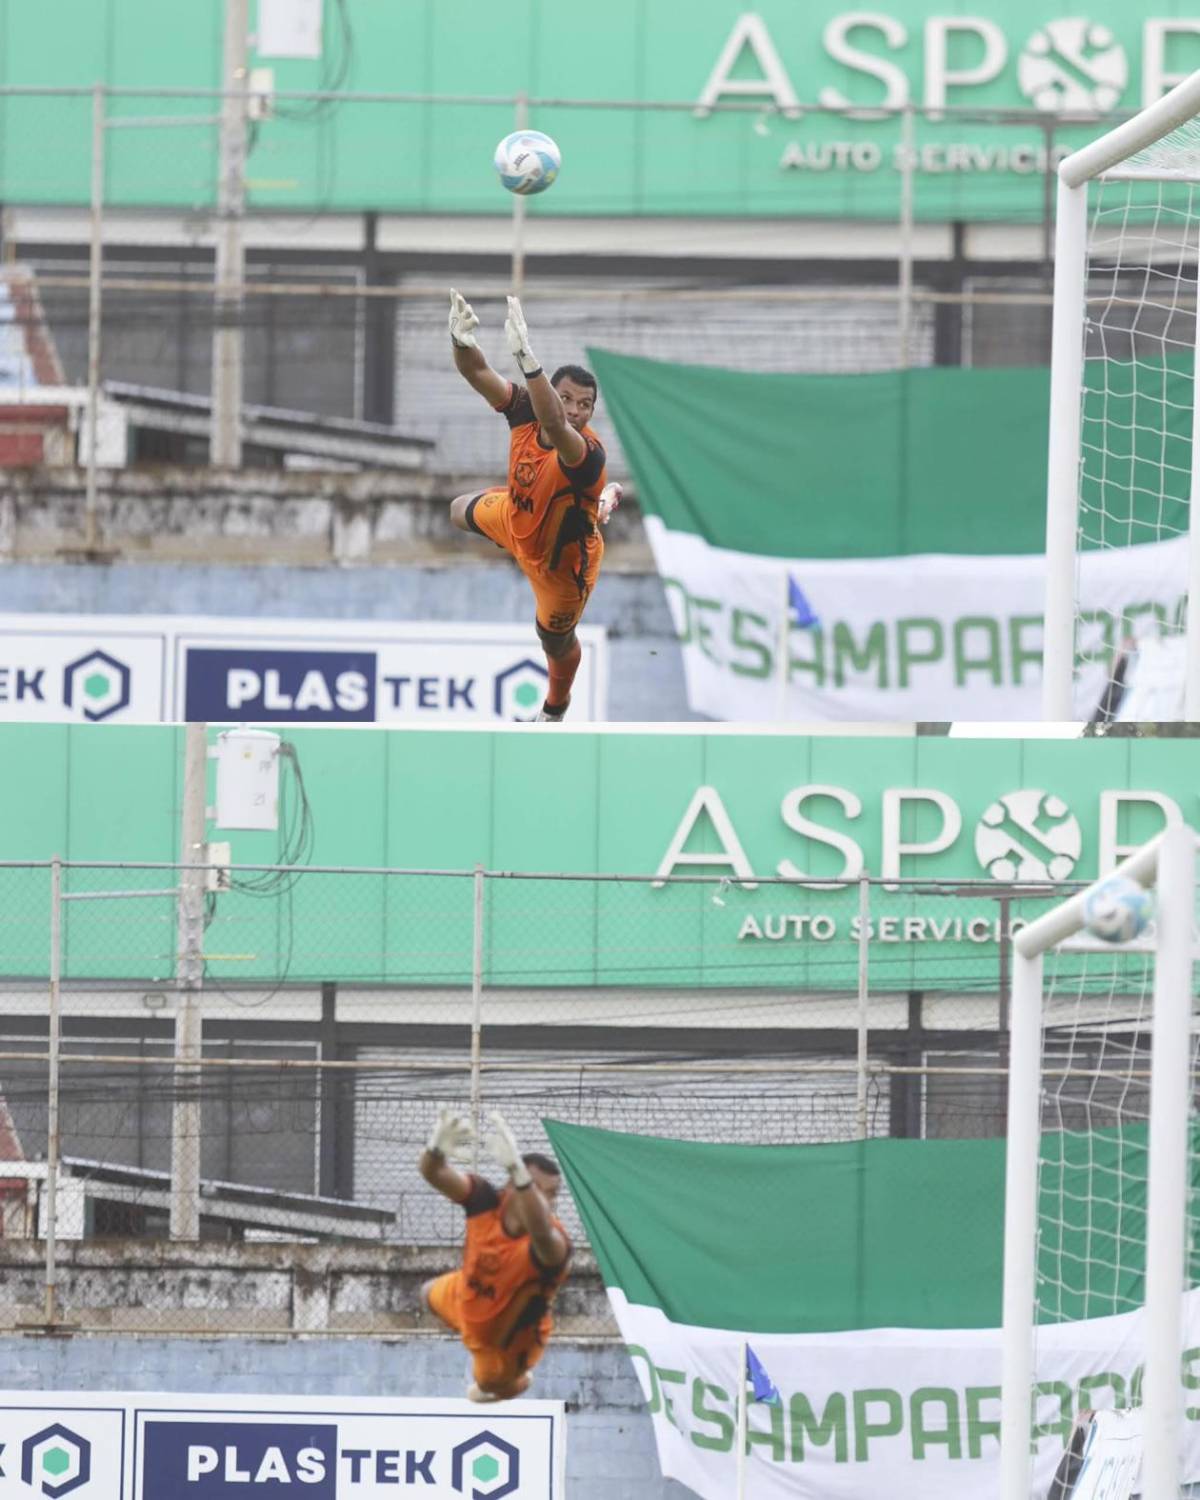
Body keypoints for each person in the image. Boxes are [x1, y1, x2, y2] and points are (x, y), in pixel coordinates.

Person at [447, 289, 621, 722]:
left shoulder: (587, 454)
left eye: (586, 404)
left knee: (554, 642)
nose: (577, 410)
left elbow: (555, 424)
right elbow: (477, 372)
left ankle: (556, 708)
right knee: (457, 509)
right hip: (516, 517)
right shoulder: (523, 408)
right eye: (568, 398)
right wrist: (460, 341)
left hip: (561, 565)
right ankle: (537, 514)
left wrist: (530, 362)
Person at [419, 1106, 572, 1402]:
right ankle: (465, 1327)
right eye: (545, 1192)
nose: (550, 1202)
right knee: (425, 1292)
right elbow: (434, 1173)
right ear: (512, 1188)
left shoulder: (554, 1245)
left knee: (487, 1385)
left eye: (554, 1194)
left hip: (505, 1343)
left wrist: (521, 1176)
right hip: (465, 1294)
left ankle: (519, 1381)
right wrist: (435, 1148)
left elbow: (540, 1229)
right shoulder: (485, 1201)